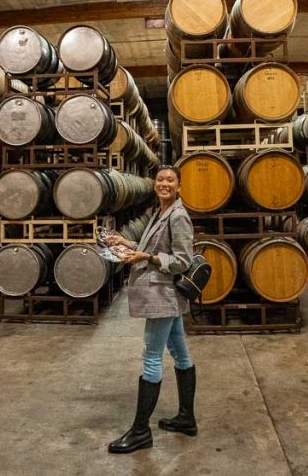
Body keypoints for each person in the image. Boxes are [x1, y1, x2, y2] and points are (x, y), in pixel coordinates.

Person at [104, 164, 197, 454]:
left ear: (179, 186)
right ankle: (186, 419)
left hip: (163, 295)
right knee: (180, 354)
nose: (164, 183)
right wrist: (126, 243)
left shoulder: (179, 215)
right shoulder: (160, 211)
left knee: (152, 357)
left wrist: (149, 258)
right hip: (164, 296)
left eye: (170, 180)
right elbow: (150, 245)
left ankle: (141, 431)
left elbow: (183, 260)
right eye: (160, 179)